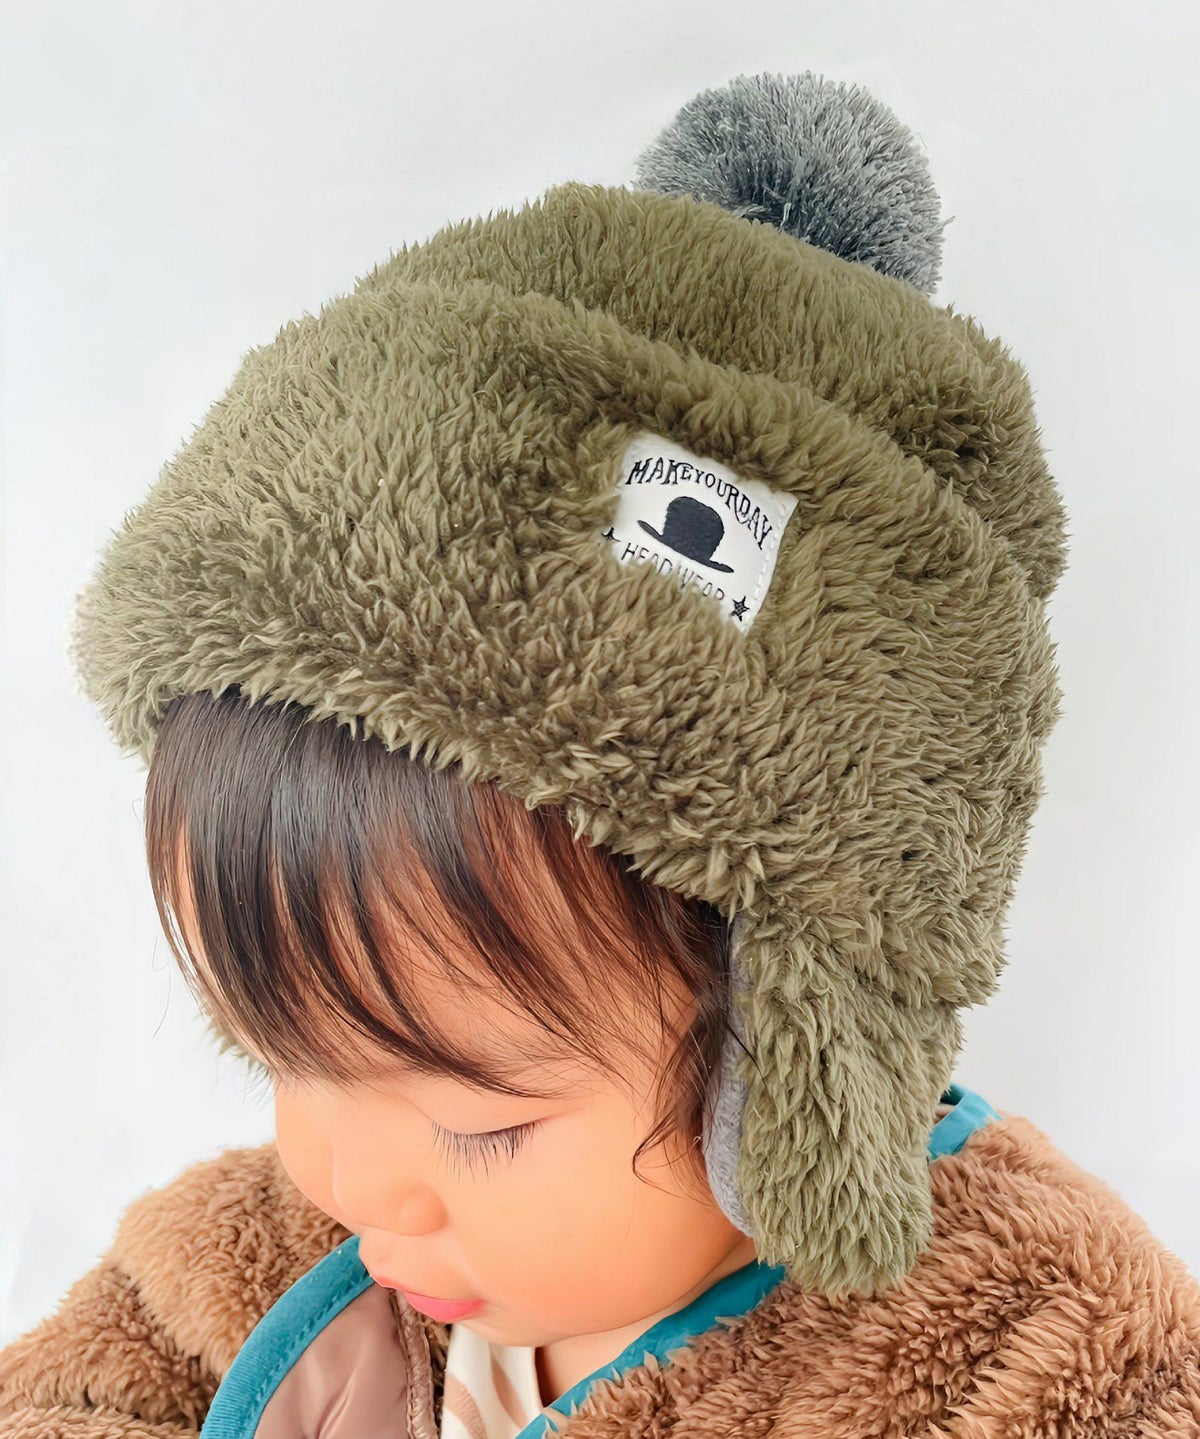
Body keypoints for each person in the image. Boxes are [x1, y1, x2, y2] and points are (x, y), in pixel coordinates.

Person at [3, 70, 1199, 1438]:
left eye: (481, 1128)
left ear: (792, 1054)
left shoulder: (1035, 1355)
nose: (345, 1178)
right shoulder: (270, 1246)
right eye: (283, 1052)